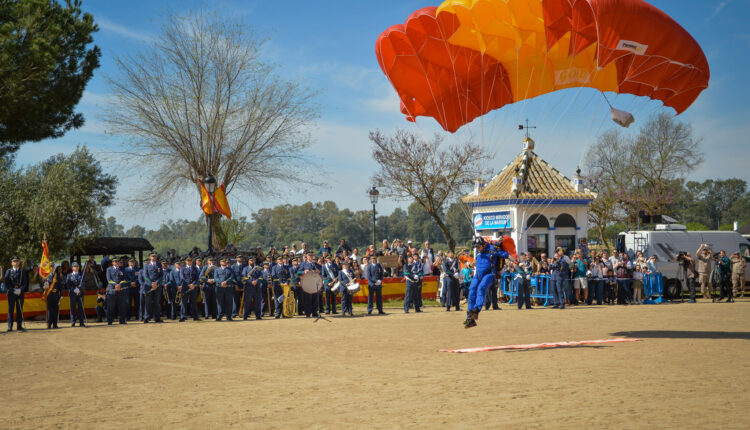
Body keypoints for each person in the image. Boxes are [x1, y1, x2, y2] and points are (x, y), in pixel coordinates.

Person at [464, 238, 509, 328]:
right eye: (476, 247)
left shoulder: (493, 249)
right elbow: (475, 262)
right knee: (472, 290)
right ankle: (470, 317)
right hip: (478, 275)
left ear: (484, 244)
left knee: (481, 288)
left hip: (489, 274)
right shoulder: (479, 252)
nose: (478, 248)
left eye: (479, 246)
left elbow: (506, 255)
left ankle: (476, 310)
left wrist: (497, 251)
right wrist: (470, 264)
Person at [141, 253, 163, 323]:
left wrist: (156, 283)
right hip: (148, 286)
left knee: (157, 302)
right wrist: (151, 283)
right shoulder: (146, 265)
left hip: (157, 286)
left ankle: (157, 318)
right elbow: (145, 276)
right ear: (150, 257)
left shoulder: (159, 265)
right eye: (153, 256)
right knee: (148, 302)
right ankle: (147, 317)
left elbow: (161, 275)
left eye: (155, 256)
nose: (154, 257)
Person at [105, 258, 128, 325]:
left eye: (118, 261)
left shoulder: (123, 269)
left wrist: (120, 285)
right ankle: (110, 320)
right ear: (112, 262)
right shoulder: (109, 269)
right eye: (115, 261)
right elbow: (109, 279)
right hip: (112, 290)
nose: (117, 263)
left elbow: (125, 279)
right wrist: (115, 285)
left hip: (121, 290)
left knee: (122, 305)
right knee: (111, 306)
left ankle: (122, 320)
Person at [298, 253, 320, 318]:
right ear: (307, 256)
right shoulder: (303, 264)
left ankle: (314, 312)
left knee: (315, 298)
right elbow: (298, 272)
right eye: (309, 256)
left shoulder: (314, 264)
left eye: (311, 256)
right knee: (308, 299)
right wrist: (304, 271)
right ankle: (308, 313)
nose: (310, 257)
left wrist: (318, 271)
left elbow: (319, 270)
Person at [179, 256, 200, 321]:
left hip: (193, 287)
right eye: (188, 260)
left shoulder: (195, 268)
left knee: (193, 302)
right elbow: (182, 277)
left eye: (190, 260)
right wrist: (189, 284)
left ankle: (195, 316)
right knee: (184, 302)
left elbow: (197, 278)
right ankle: (183, 317)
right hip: (185, 287)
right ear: (185, 261)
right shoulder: (182, 268)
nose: (189, 261)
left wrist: (193, 284)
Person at [66, 261, 86, 327]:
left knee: (81, 308)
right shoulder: (69, 275)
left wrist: (79, 288)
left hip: (80, 293)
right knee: (73, 308)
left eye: (77, 266)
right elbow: (68, 284)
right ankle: (73, 321)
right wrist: (74, 289)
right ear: (72, 268)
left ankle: (81, 321)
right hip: (72, 294)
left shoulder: (81, 274)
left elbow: (83, 283)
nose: (76, 267)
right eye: (75, 266)